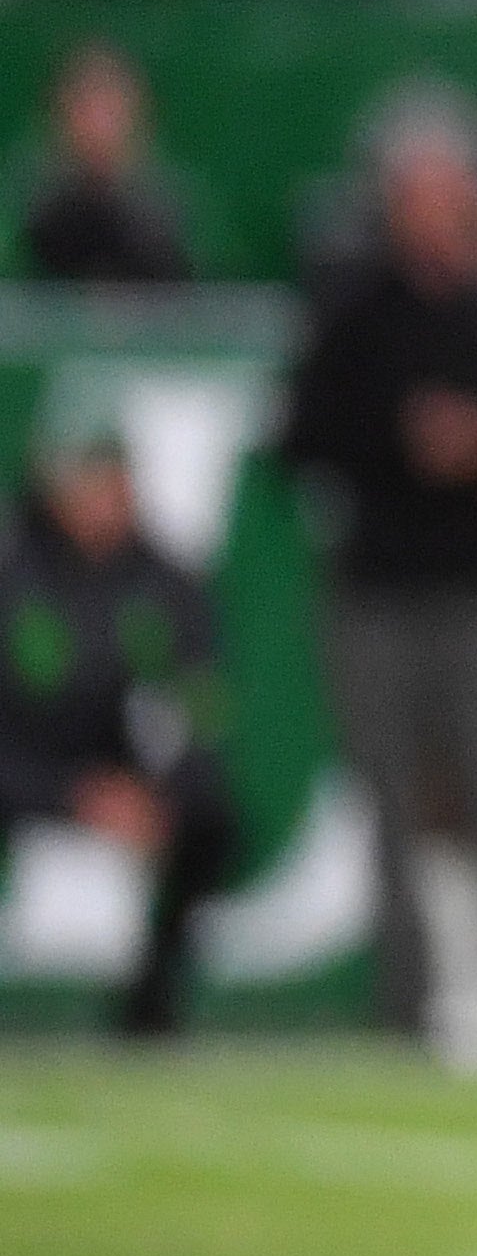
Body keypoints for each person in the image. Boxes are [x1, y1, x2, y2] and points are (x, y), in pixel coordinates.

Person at [281, 92, 477, 1057]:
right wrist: (402, 439)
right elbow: (298, 440)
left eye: (451, 187)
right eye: (422, 189)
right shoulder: (355, 312)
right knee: (394, 808)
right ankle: (404, 1003)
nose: (439, 206)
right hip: (378, 590)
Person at [0, 400, 244, 1034]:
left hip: (122, 772)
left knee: (213, 821)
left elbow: (197, 713)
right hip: (26, 768)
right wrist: (70, 793)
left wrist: (161, 796)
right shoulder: (12, 577)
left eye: (113, 479)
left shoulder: (166, 583)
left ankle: (150, 1006)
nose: (104, 499)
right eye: (87, 480)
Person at [16, 42, 200, 284]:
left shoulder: (162, 213)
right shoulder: (40, 210)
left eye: (109, 110)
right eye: (85, 108)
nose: (97, 124)